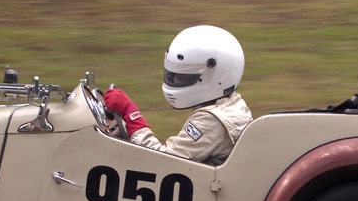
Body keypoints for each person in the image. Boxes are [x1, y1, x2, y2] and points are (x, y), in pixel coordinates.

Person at [104, 25, 253, 166]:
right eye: (173, 75)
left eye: (183, 77)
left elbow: (162, 162)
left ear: (217, 76)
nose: (175, 80)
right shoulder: (232, 104)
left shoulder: (211, 120)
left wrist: (130, 113)